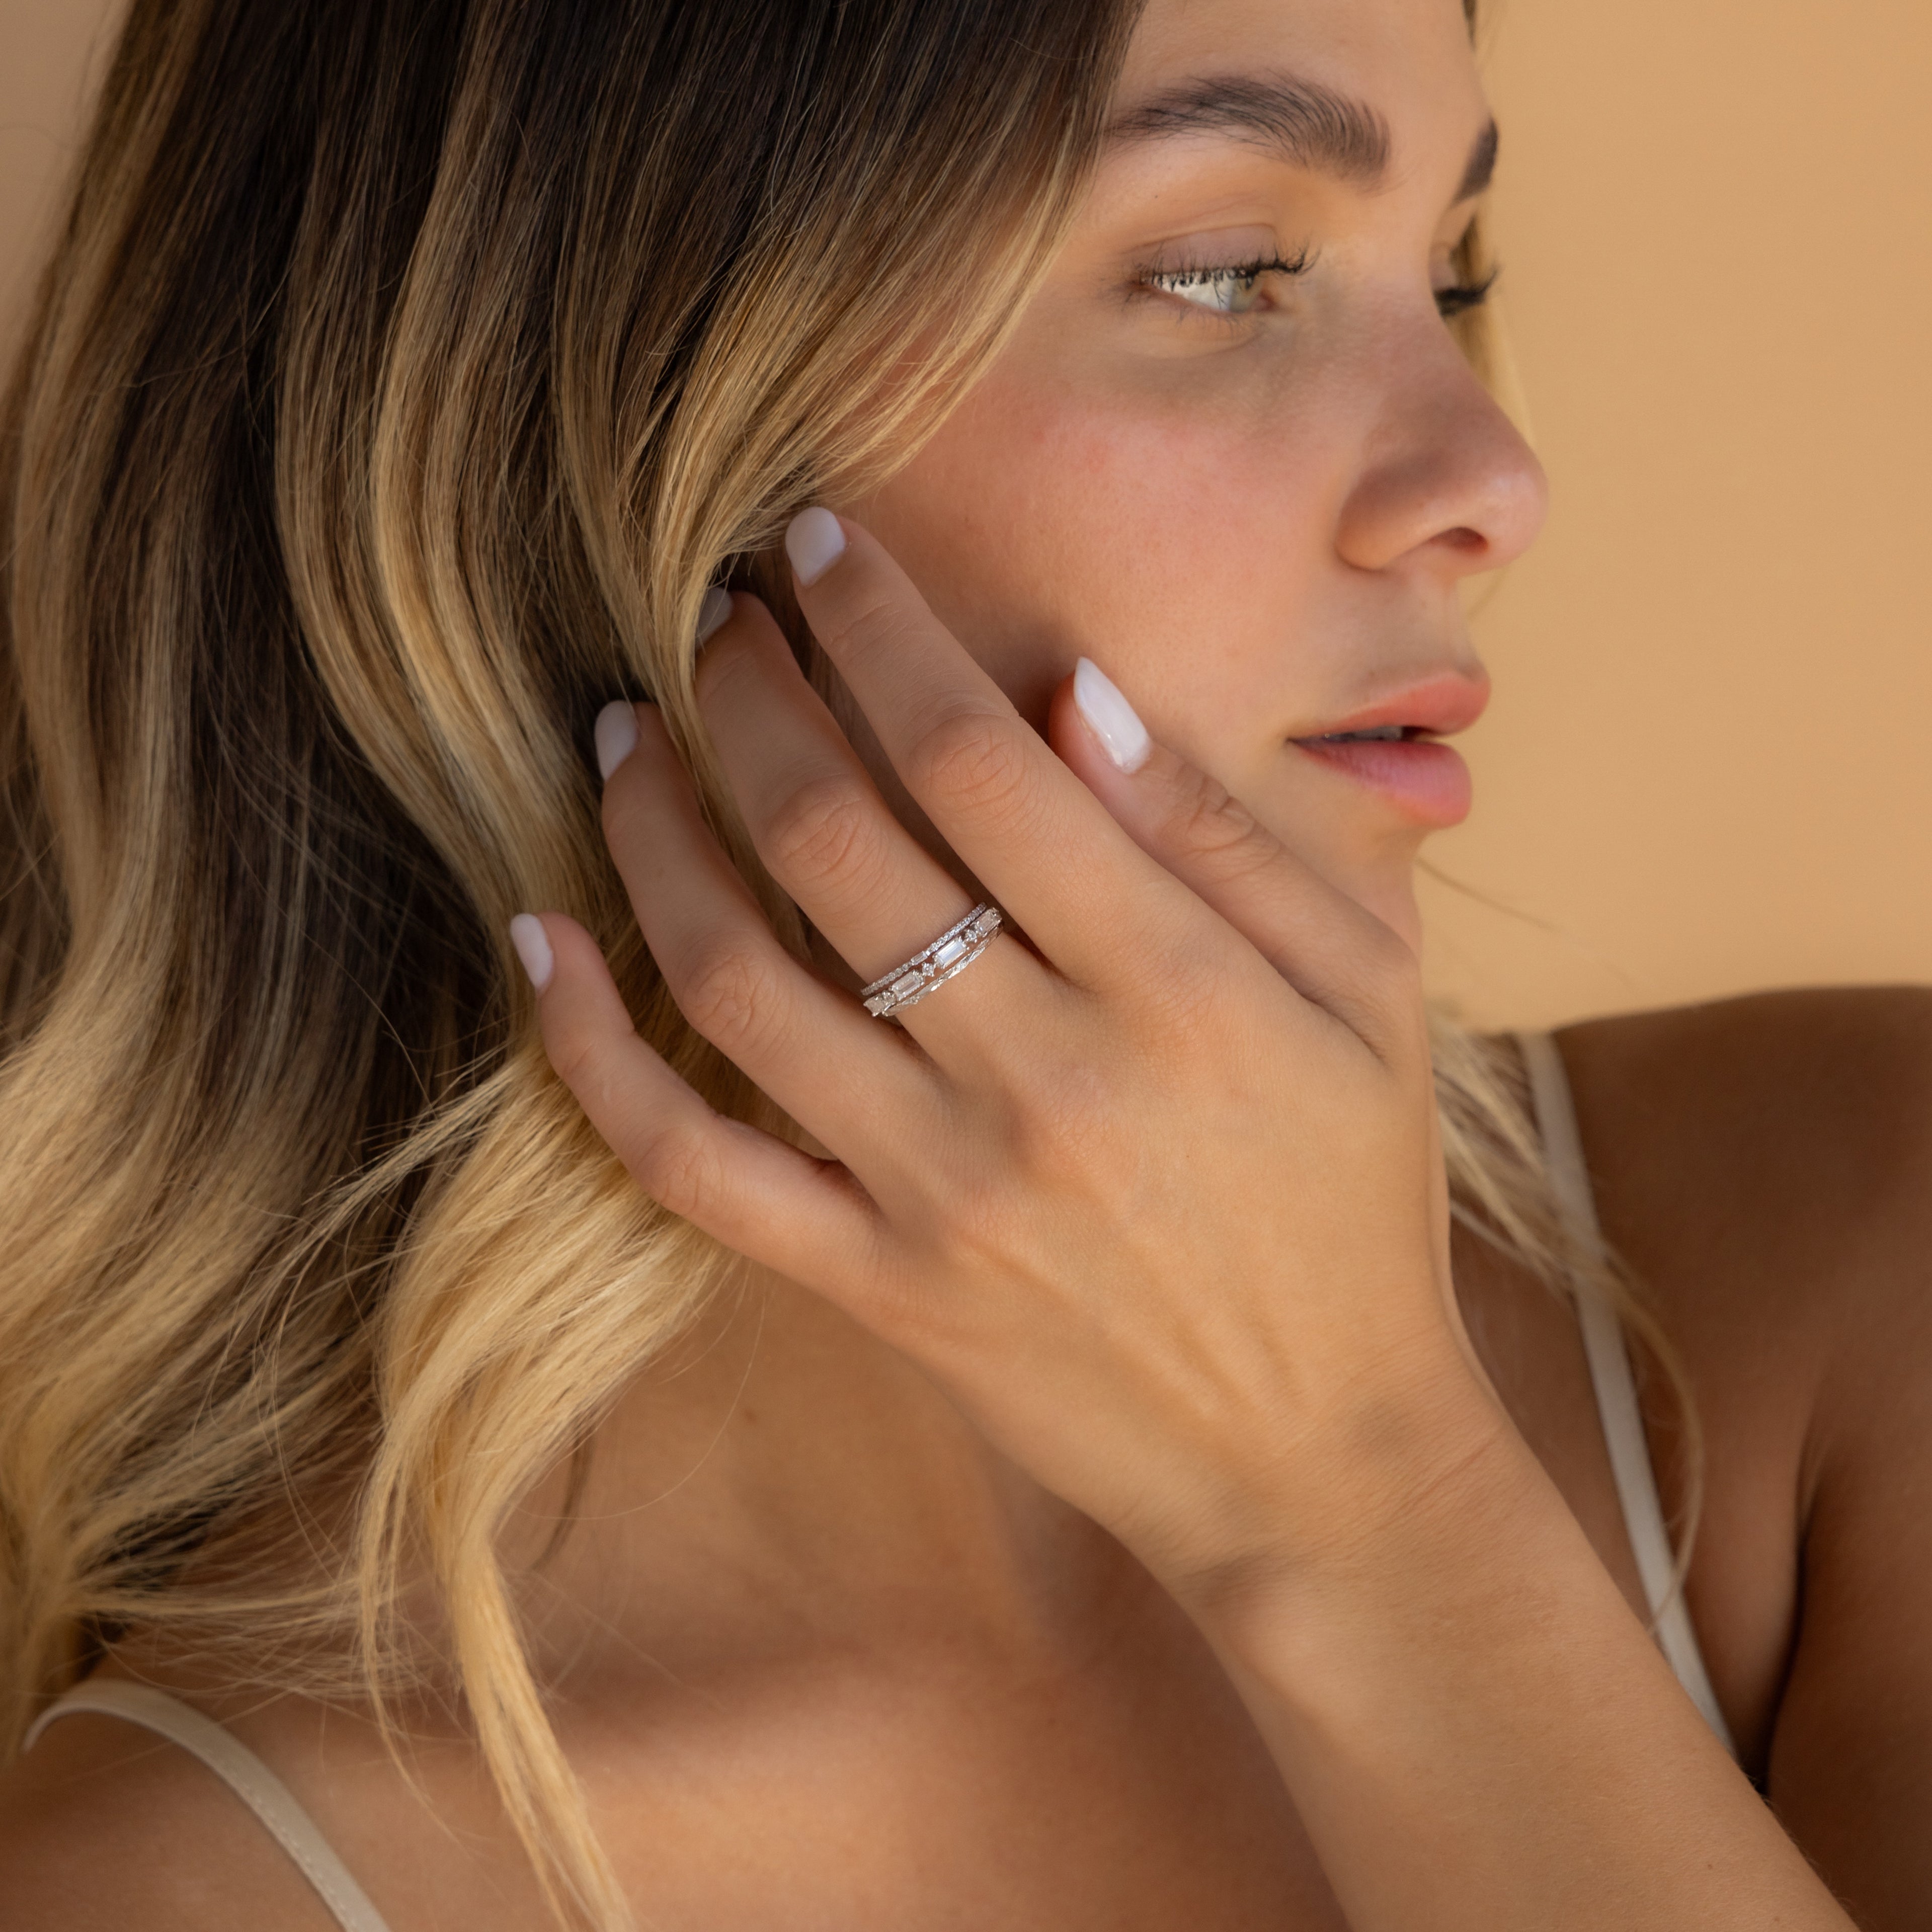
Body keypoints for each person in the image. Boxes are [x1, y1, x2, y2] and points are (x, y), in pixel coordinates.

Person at [0, 0, 1925, 1925]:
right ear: (573, 413)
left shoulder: (1857, 1272)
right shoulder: (175, 1885)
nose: (1492, 479)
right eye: (1227, 272)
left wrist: (1367, 1509)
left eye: (1456, 268)